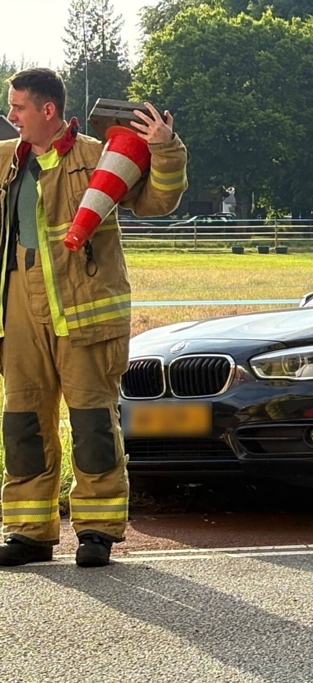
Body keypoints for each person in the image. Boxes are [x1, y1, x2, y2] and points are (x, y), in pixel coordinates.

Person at [0, 68, 188, 568]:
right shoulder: (5, 161)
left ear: (47, 110)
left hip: (85, 310)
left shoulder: (96, 155)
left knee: (91, 426)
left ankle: (97, 531)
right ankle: (29, 532)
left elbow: (158, 200)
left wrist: (165, 148)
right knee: (22, 424)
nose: (11, 115)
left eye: (17, 107)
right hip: (18, 306)